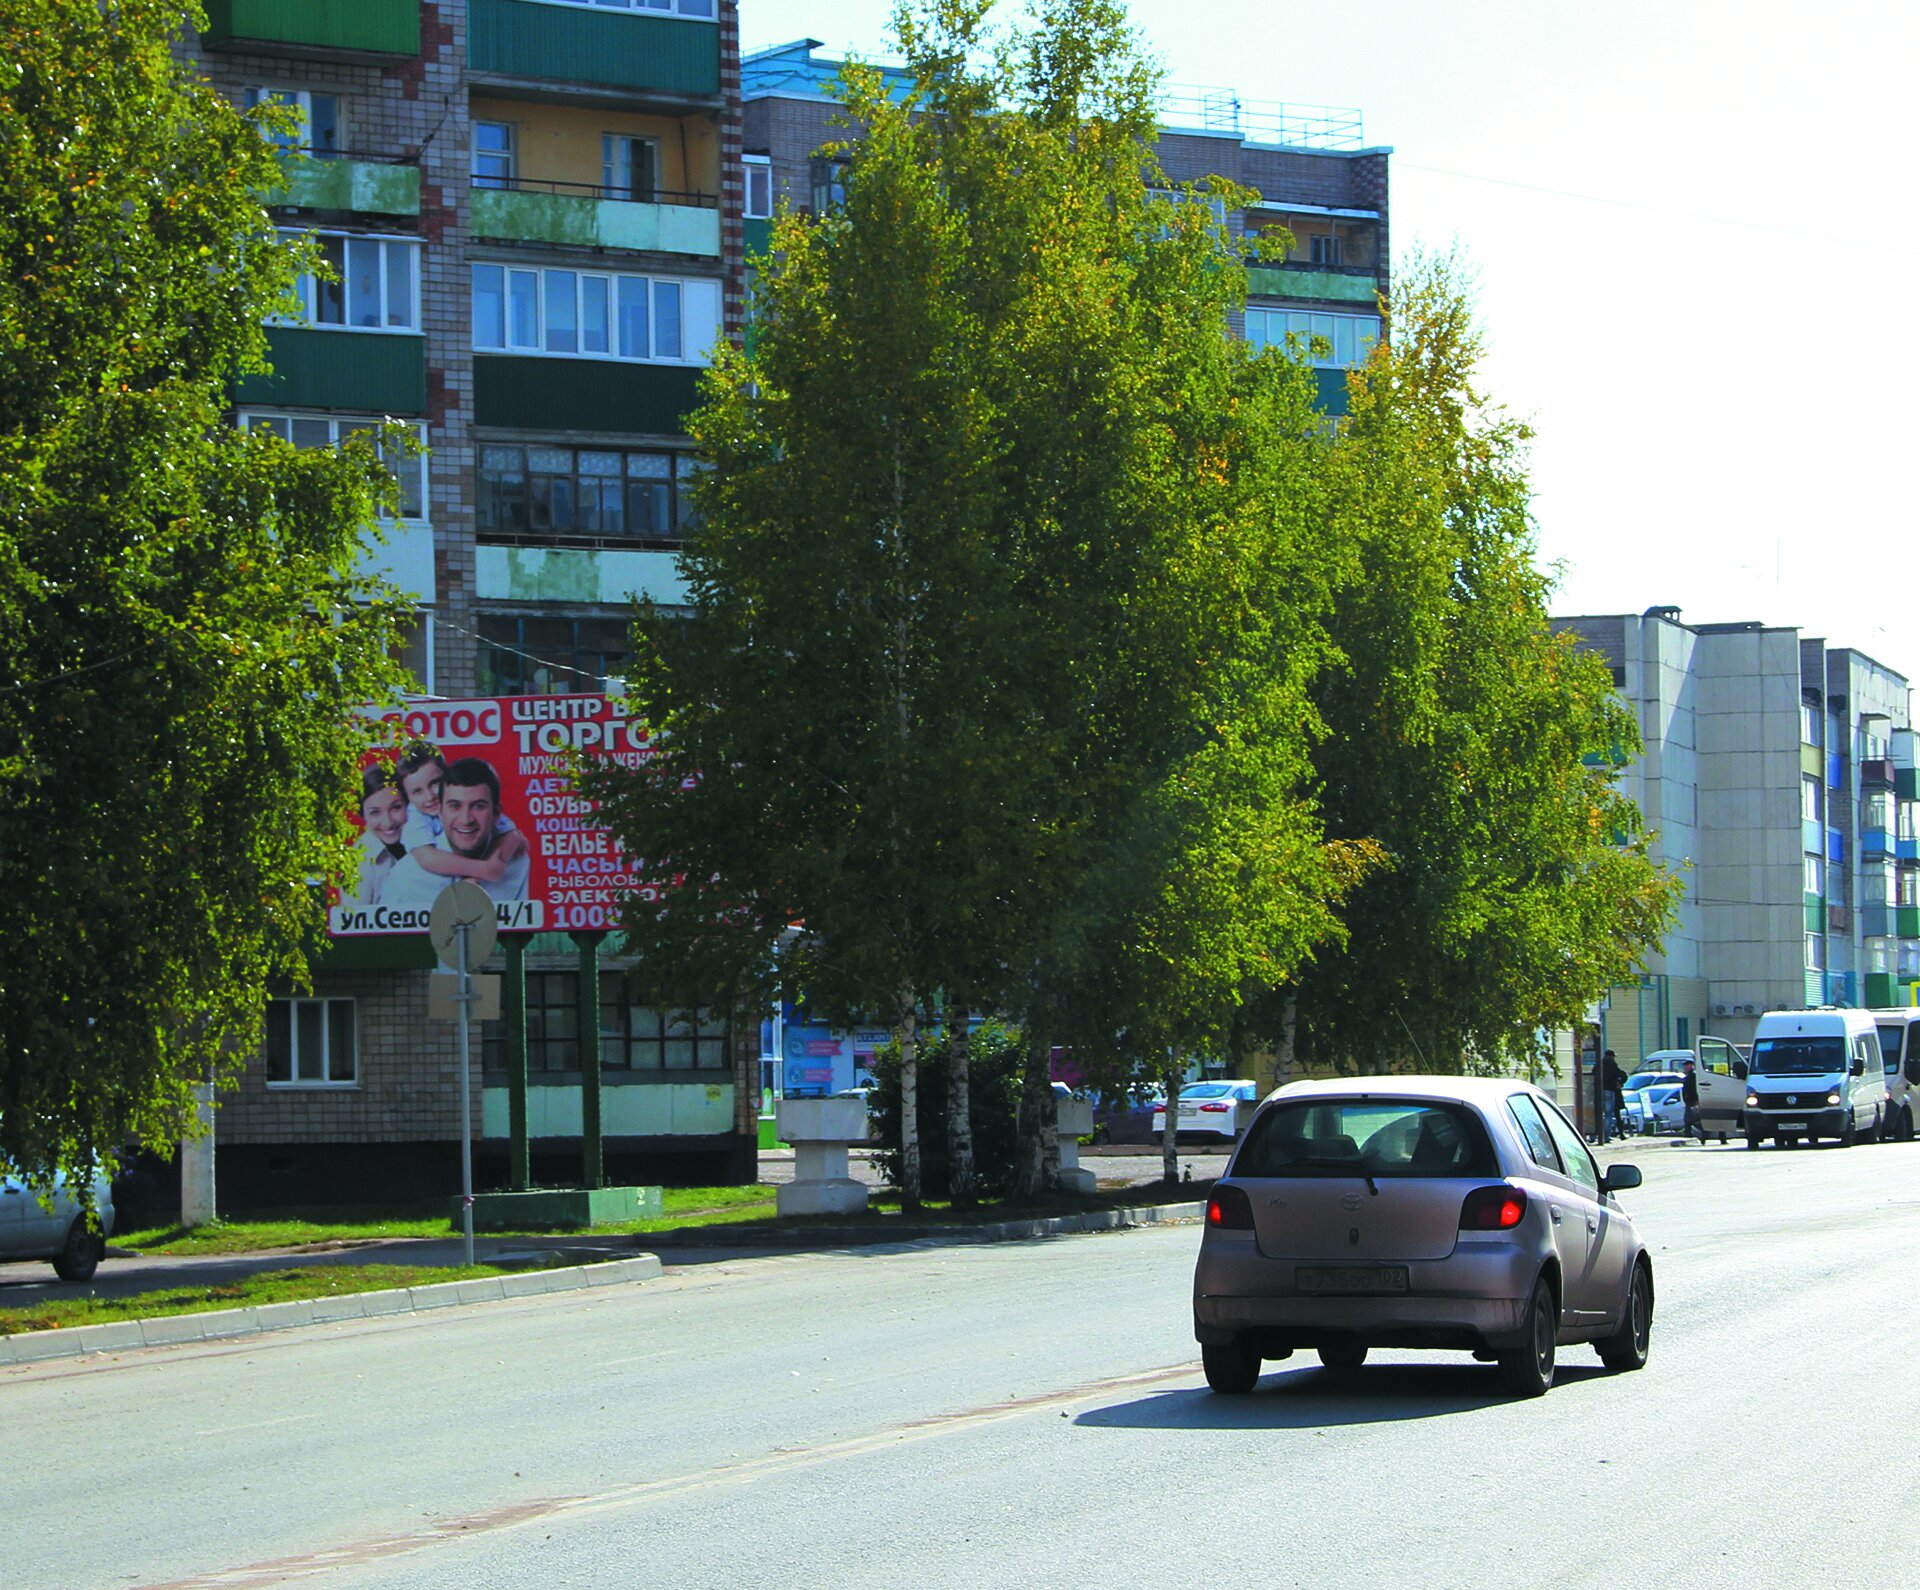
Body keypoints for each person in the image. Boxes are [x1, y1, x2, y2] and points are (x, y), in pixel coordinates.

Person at [382, 757, 531, 908]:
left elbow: (511, 833)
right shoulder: (405, 878)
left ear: (496, 812)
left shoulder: (516, 863)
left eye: (478, 806)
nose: (466, 819)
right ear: (440, 810)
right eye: (455, 806)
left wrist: (513, 838)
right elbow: (427, 858)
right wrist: (487, 869)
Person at [345, 763, 410, 907]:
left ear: (408, 804)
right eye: (375, 812)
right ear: (363, 815)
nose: (387, 822)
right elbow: (352, 916)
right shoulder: (359, 860)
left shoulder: (428, 841)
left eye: (396, 808)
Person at [1679, 1058, 1707, 1145]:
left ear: (1691, 1066)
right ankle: (1689, 1135)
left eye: (1686, 1065)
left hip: (1693, 1101)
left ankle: (1704, 1134)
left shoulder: (1693, 1076)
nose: (1685, 1067)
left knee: (1693, 1120)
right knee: (1689, 1120)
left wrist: (1697, 1100)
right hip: (1689, 1101)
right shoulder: (1688, 1076)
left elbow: (1694, 1089)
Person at [1603, 1050, 1627, 1141]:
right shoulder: (1613, 1065)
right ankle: (1607, 1136)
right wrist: (1620, 1082)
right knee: (1610, 1115)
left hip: (1598, 1091)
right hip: (1611, 1091)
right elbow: (1623, 1075)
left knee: (1598, 1114)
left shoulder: (1599, 1065)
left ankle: (1596, 1135)